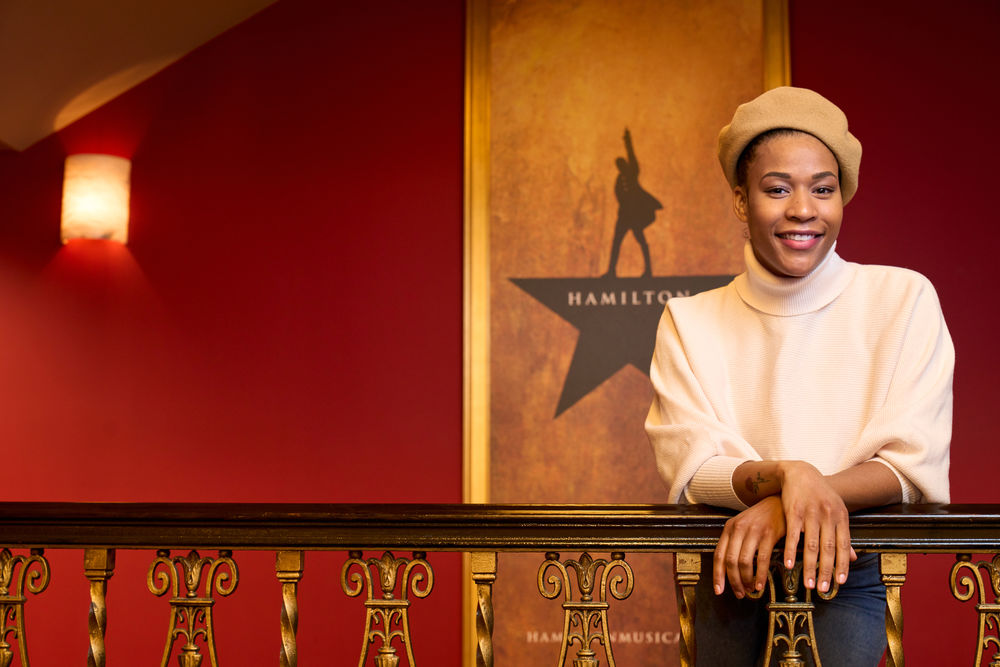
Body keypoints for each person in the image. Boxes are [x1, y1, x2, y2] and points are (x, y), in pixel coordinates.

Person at [644, 87, 953, 666]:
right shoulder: (688, 319)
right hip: (730, 569)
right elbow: (692, 471)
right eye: (778, 188)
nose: (803, 209)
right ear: (741, 200)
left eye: (823, 189)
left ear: (842, 197)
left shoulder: (903, 298)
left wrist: (794, 498)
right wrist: (793, 474)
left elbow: (912, 463)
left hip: (851, 566)